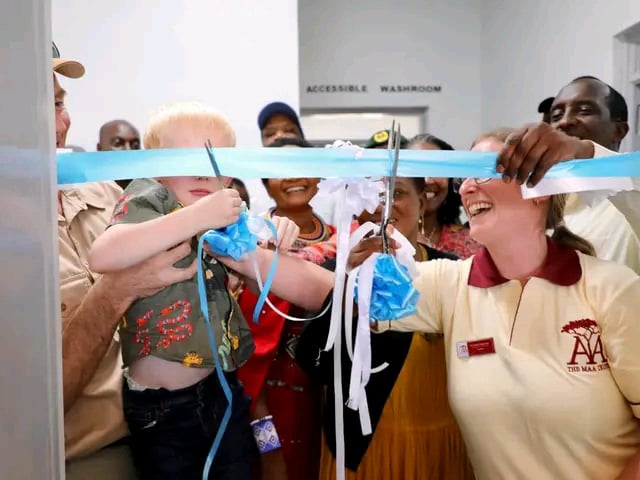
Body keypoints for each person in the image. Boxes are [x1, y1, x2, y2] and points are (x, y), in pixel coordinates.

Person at [344, 127, 640, 480]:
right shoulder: (452, 282)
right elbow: (321, 288)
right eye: (464, 178)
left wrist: (582, 151)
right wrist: (263, 247)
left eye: (485, 172)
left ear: (538, 191)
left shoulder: (611, 289)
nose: (467, 188)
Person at [87, 101, 300, 480]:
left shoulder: (224, 214)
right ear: (155, 166)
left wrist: (281, 230)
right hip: (163, 409)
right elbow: (104, 254)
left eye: (216, 162)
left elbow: (264, 237)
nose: (204, 173)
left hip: (223, 392)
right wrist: (197, 217)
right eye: (188, 159)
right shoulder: (150, 199)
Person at [54, 43, 195, 480]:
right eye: (50, 104)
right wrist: (115, 290)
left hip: (162, 437)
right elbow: (33, 406)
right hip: (79, 459)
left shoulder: (105, 195)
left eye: (62, 102)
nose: (65, 119)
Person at [297, 174, 475, 480]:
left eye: (398, 192)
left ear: (423, 203)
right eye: (373, 194)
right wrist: (348, 289)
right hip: (366, 453)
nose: (383, 205)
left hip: (445, 447)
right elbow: (315, 364)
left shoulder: (455, 274)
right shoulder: (336, 272)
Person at [236, 135, 336, 480]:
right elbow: (245, 352)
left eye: (303, 168)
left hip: (331, 403)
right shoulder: (247, 242)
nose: (294, 178)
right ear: (265, 181)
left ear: (320, 177)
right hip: (270, 402)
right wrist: (267, 442)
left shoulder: (345, 240)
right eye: (281, 171)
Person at [515, 76, 640, 274]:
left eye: (584, 111)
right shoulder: (538, 203)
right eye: (556, 116)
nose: (565, 121)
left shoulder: (630, 196)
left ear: (619, 130)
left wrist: (583, 150)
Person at [408, 133, 480, 258]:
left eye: (436, 169)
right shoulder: (384, 241)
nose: (428, 180)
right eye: (418, 169)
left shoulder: (472, 243)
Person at [97, 119, 141, 189]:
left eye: (135, 145)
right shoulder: (84, 195)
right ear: (100, 149)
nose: (128, 150)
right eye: (118, 143)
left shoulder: (154, 189)